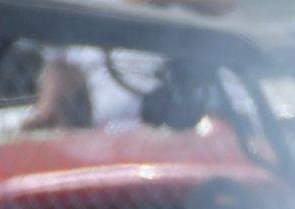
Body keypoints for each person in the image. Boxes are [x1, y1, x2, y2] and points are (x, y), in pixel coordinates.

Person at [23, 0, 239, 131]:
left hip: (202, 122)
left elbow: (223, 5)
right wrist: (47, 109)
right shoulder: (74, 11)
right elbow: (62, 62)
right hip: (114, 134)